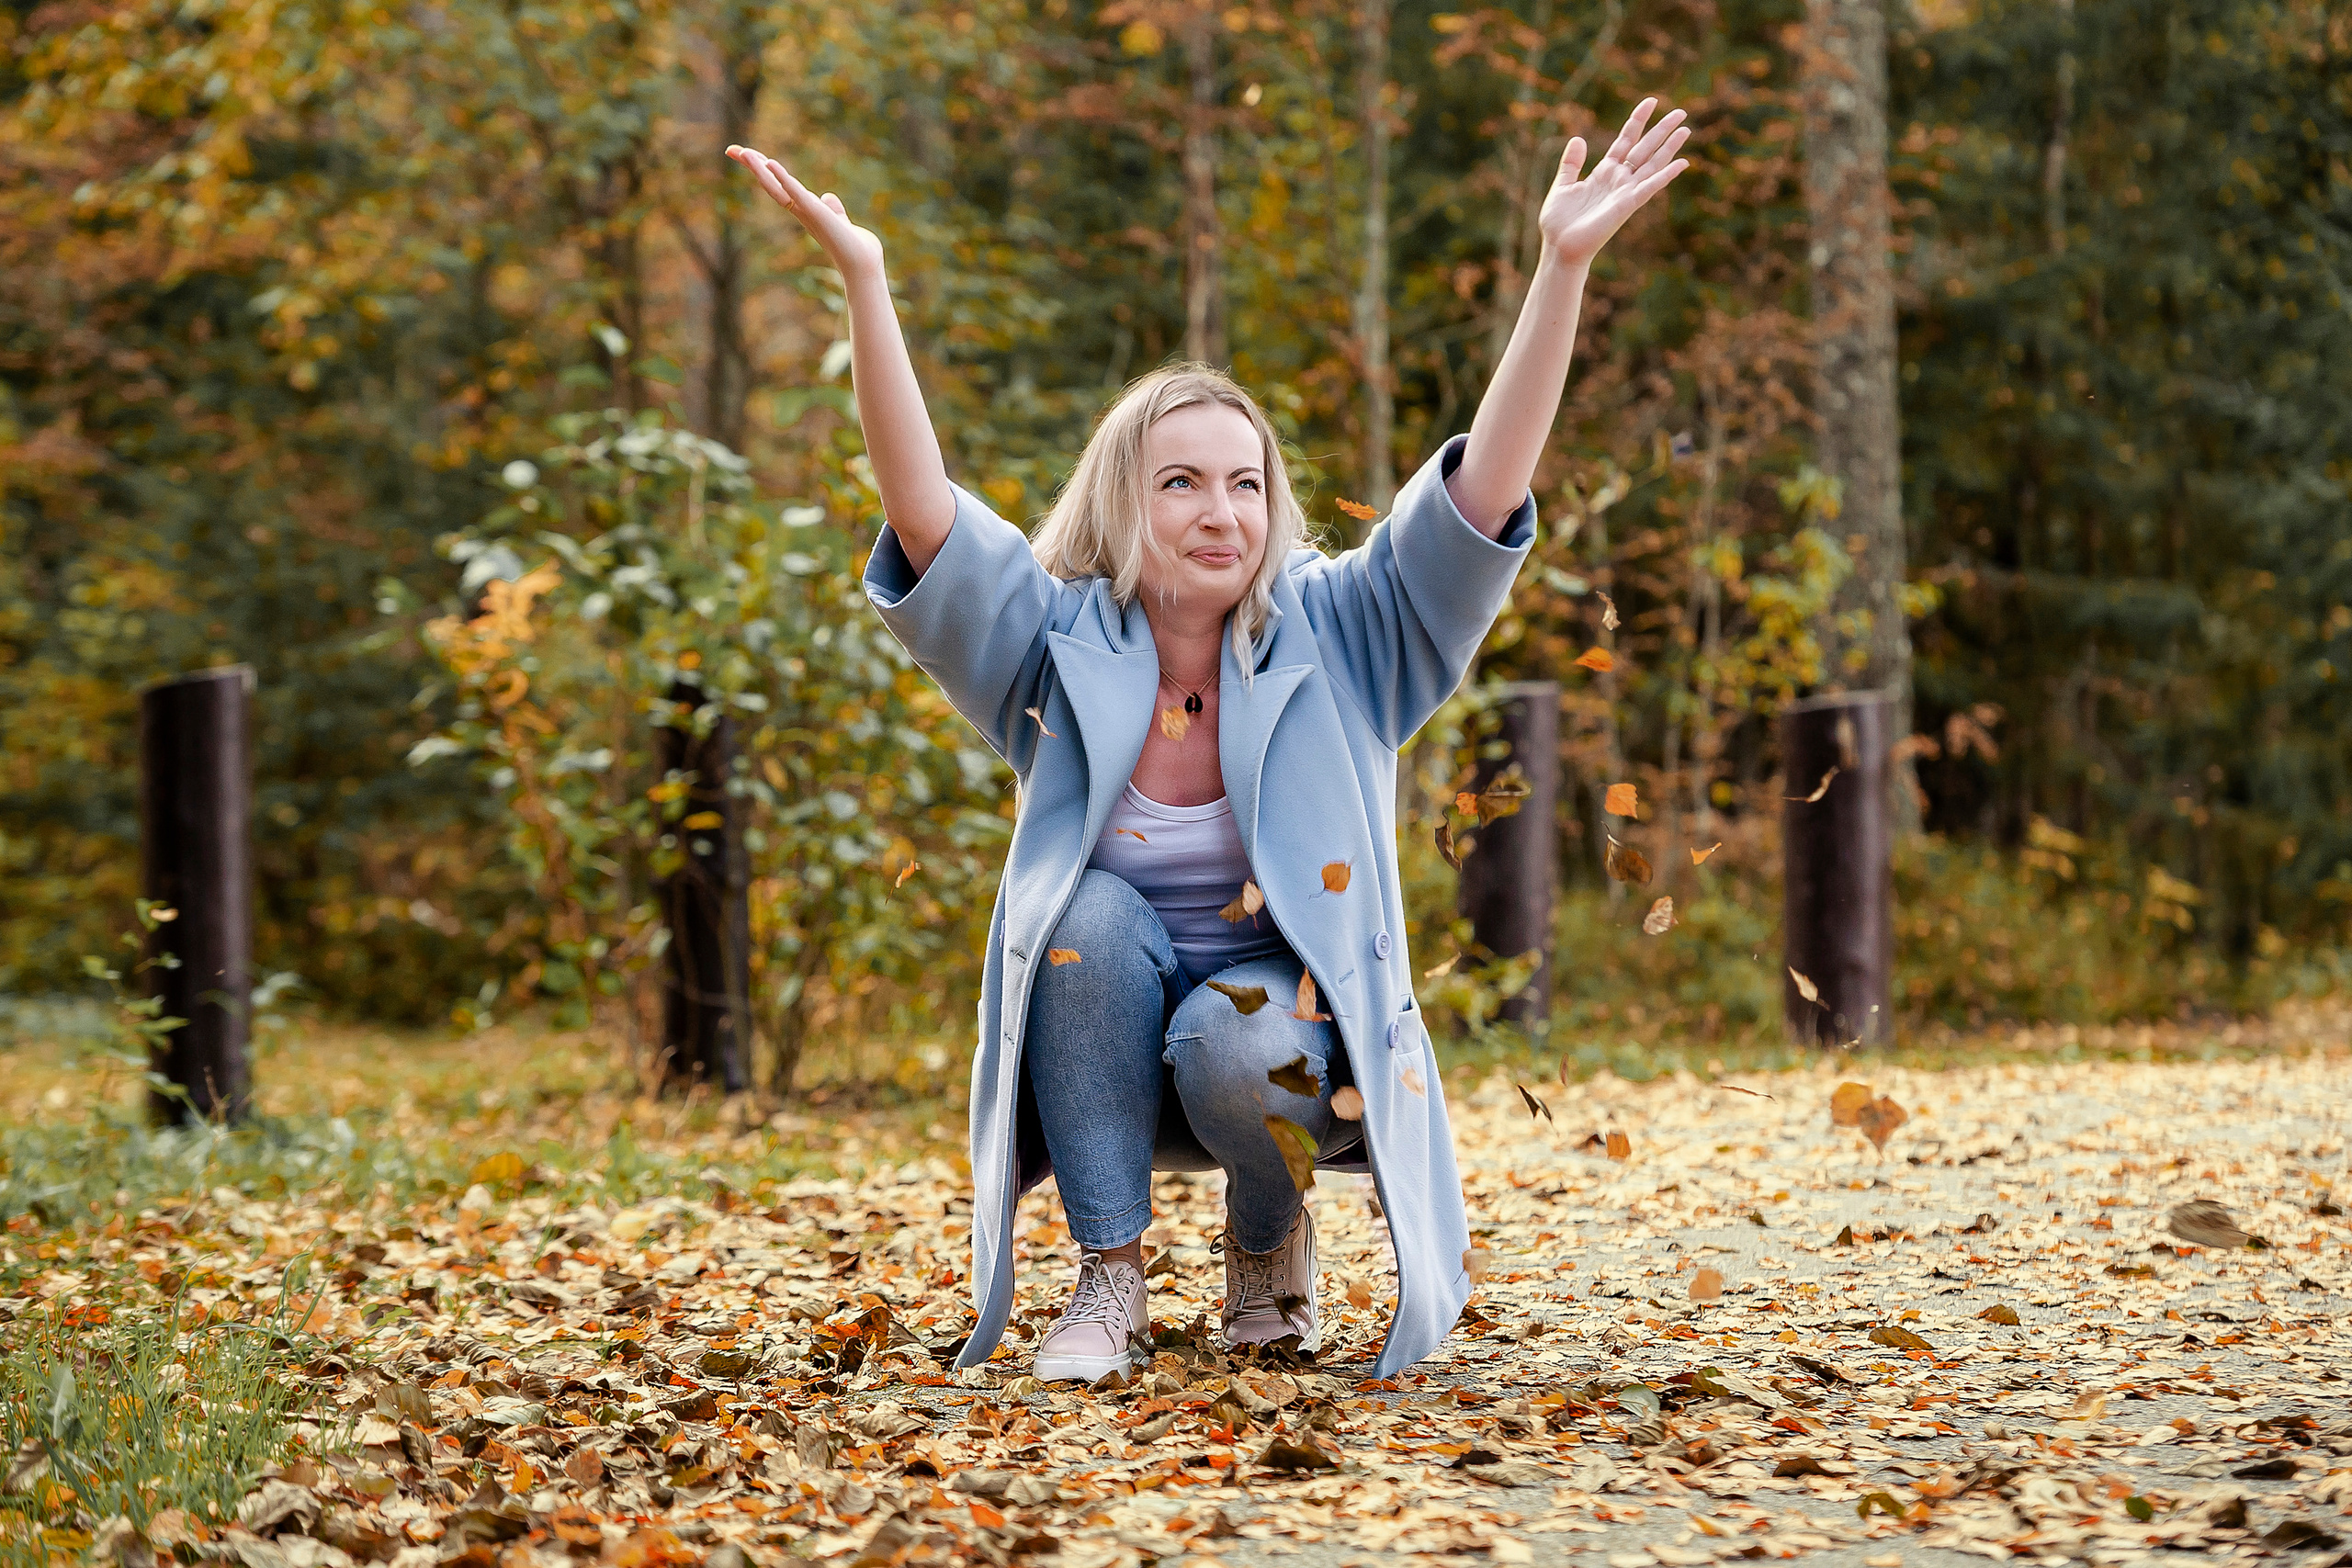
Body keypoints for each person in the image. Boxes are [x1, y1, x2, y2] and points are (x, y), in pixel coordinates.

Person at [727, 99, 1689, 1383]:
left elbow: (1487, 492)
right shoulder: (1052, 645)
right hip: (1100, 1040)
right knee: (1083, 917)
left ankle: (1268, 1236)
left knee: (1242, 1035)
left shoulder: (1348, 632)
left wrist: (1561, 268)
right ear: (1127, 501)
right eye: (1181, 481)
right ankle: (1106, 1284)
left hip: (1280, 1056)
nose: (1219, 509)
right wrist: (868, 283)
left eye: (1244, 482)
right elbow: (922, 508)